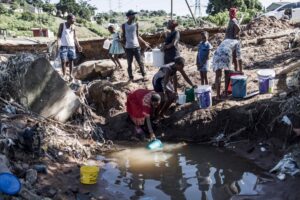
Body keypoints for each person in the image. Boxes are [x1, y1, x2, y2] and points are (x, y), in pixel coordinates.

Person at [122, 10, 150, 81]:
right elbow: (124, 37)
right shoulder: (124, 25)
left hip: (136, 46)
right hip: (128, 48)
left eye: (134, 15)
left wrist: (144, 42)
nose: (134, 16)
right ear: (128, 16)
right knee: (129, 63)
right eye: (132, 15)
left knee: (140, 62)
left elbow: (137, 36)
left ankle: (144, 75)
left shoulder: (136, 24)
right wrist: (124, 45)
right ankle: (131, 77)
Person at [57, 13, 82, 81]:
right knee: (63, 60)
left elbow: (75, 37)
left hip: (71, 46)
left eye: (74, 19)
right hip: (63, 46)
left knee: (71, 61)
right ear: (68, 19)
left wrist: (78, 45)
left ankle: (71, 75)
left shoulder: (73, 27)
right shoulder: (62, 25)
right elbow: (59, 35)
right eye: (73, 19)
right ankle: (64, 75)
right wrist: (58, 44)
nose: (74, 20)